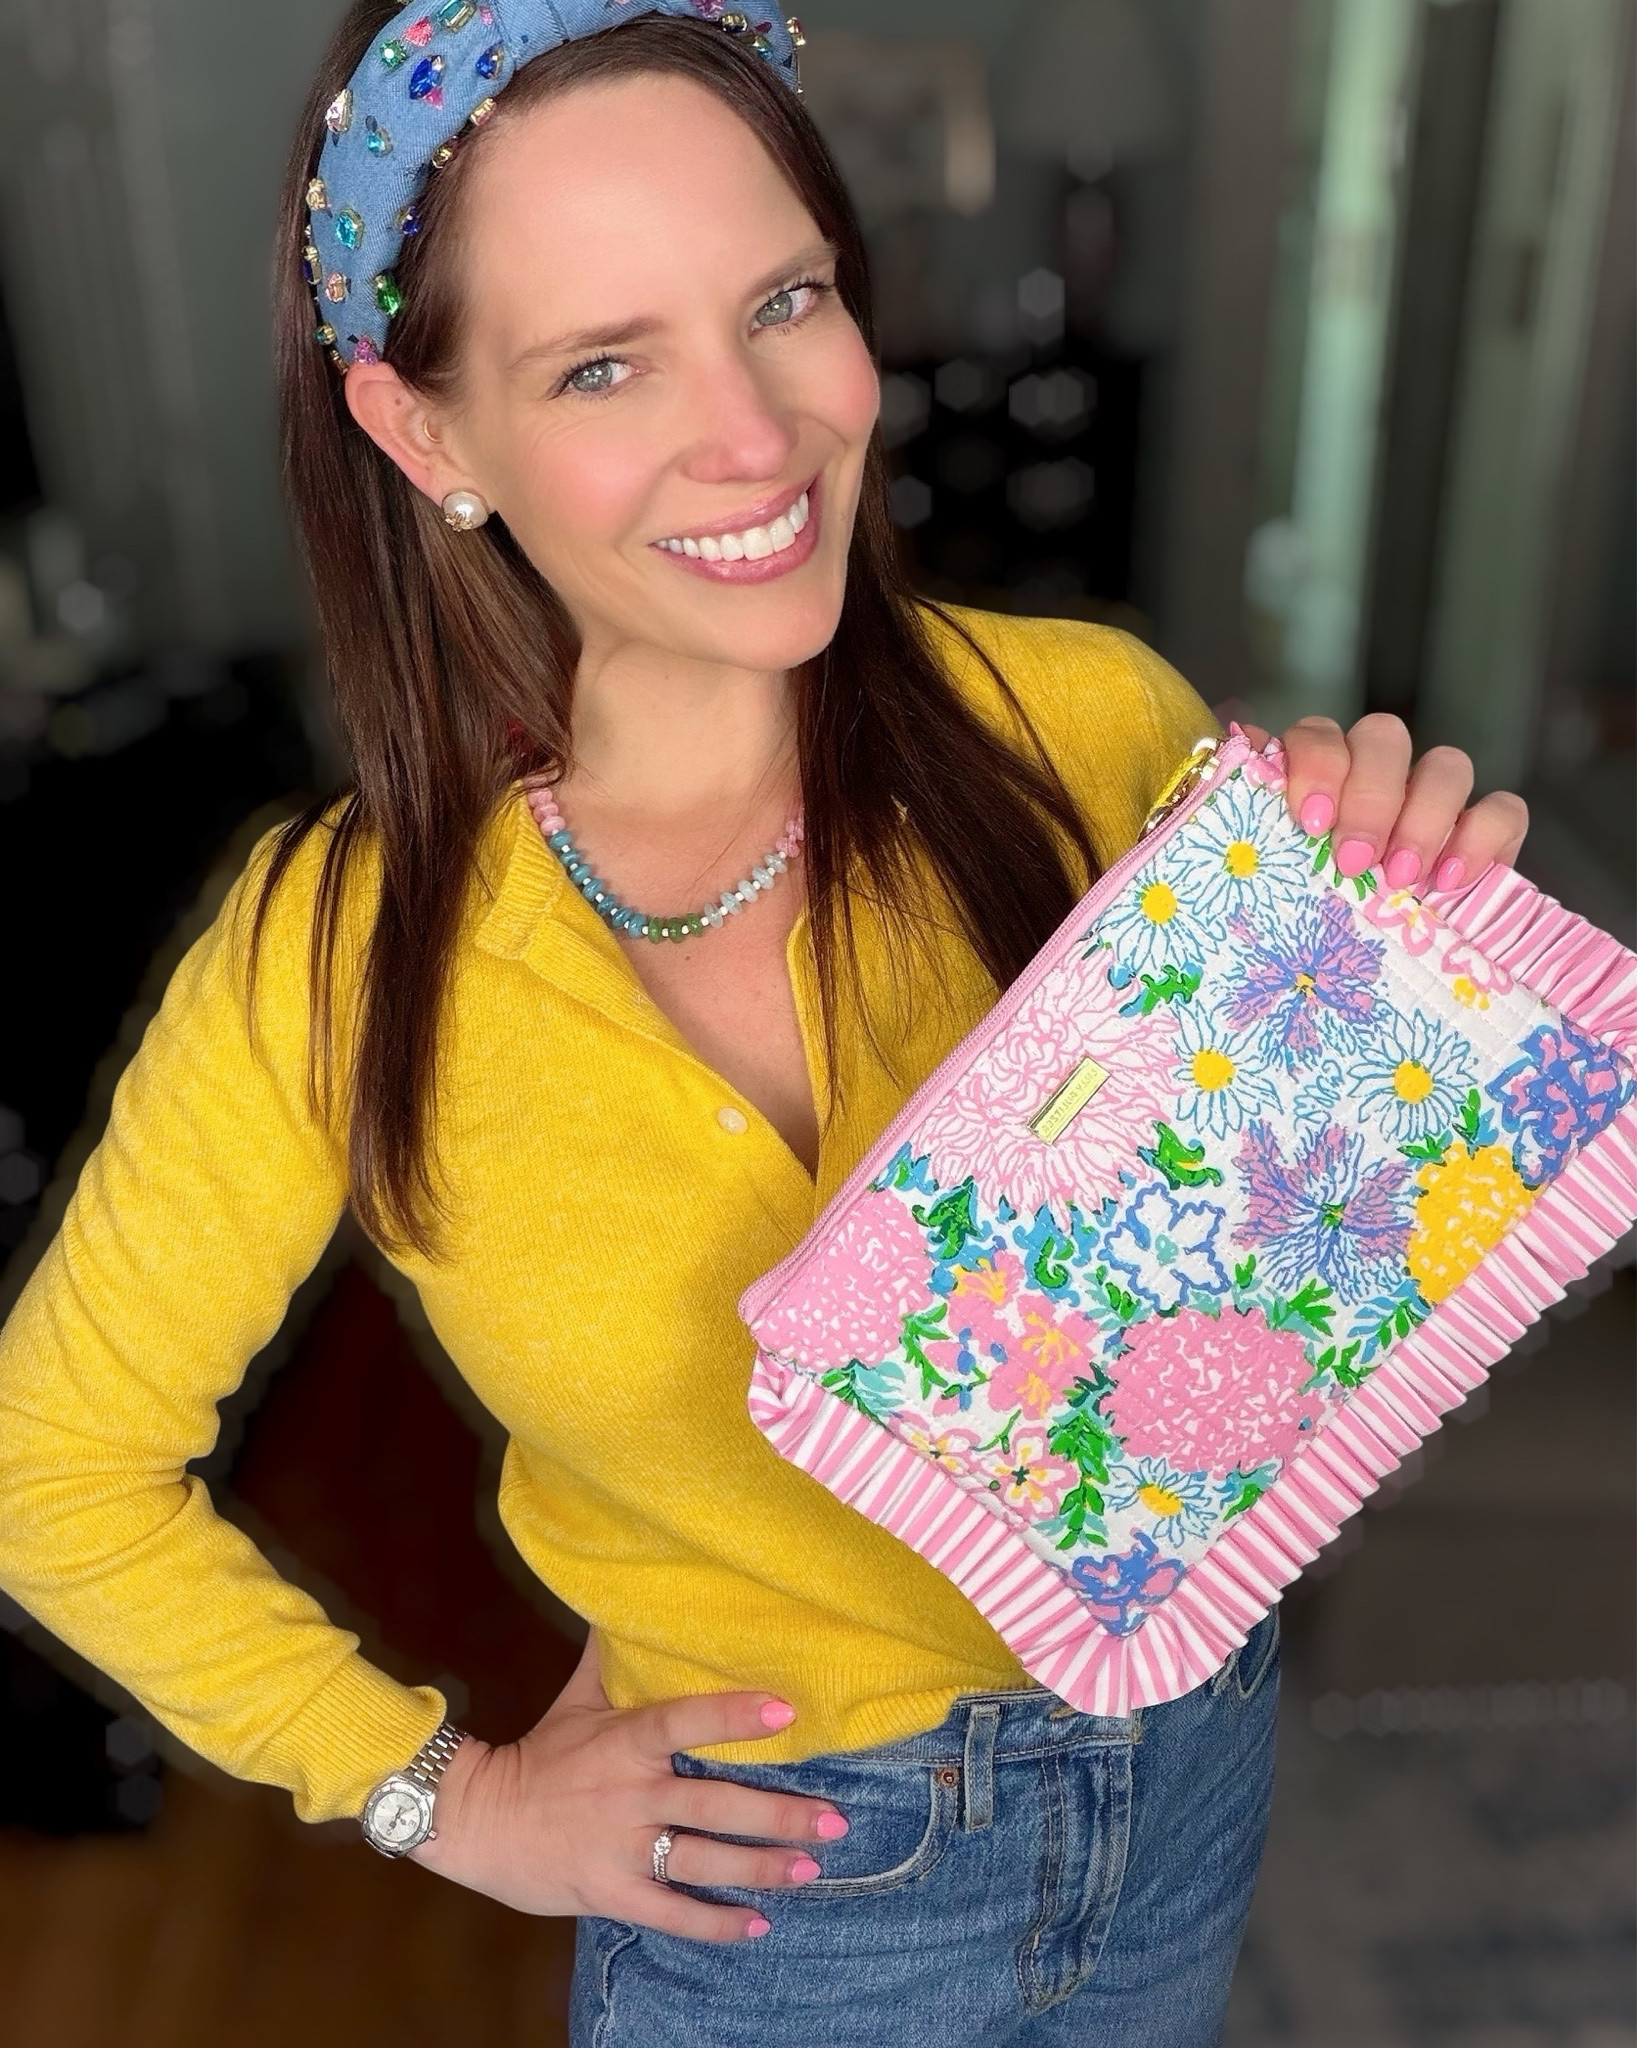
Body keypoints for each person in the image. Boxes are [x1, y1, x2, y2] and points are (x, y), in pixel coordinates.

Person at [0, 5, 1528, 2042]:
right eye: (606, 363)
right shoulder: (335, 958)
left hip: (1182, 1774)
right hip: (796, 1898)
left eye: (782, 298)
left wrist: (1397, 979)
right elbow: (44, 1464)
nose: (757, 433)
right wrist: (435, 1788)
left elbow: (1276, 1316)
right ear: (427, 435)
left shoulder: (1091, 735)